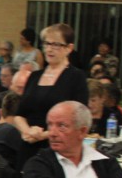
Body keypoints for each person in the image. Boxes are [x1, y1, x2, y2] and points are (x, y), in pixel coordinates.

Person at [14, 24, 88, 166]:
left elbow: (80, 119)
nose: (49, 49)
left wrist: (44, 135)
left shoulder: (76, 77)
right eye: (47, 43)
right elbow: (19, 115)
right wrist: (28, 131)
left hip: (59, 149)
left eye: (56, 45)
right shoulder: (34, 76)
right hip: (28, 146)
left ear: (69, 48)